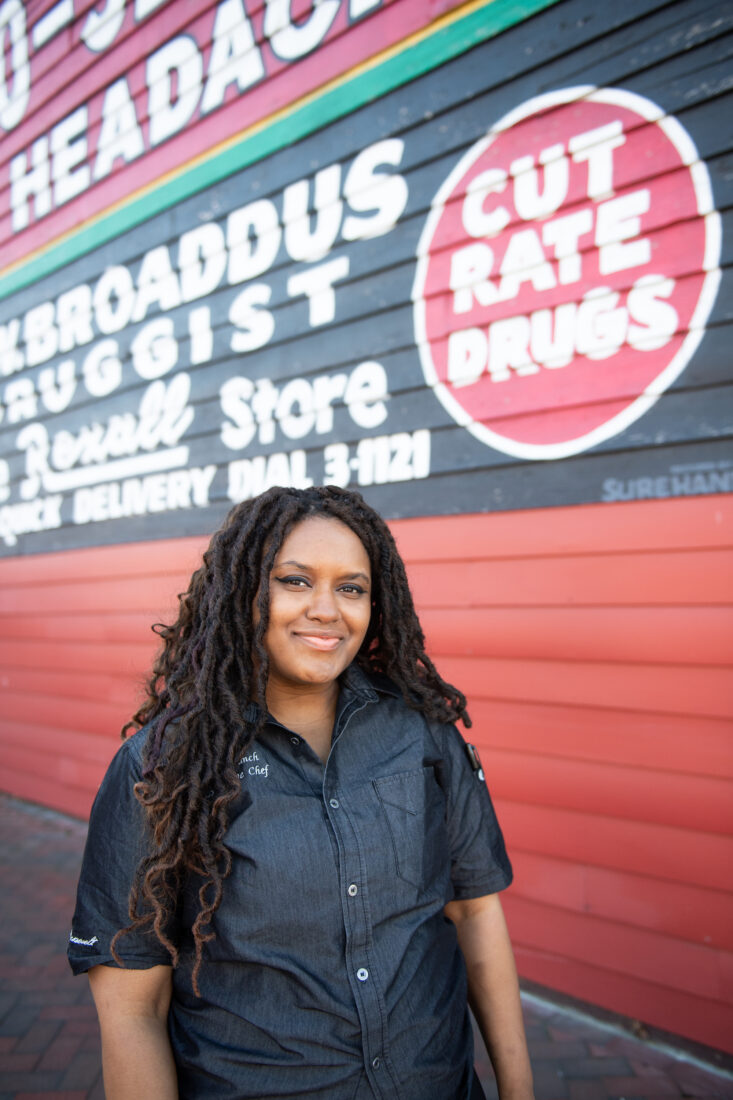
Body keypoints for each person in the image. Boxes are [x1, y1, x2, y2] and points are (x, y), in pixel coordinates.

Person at [68, 484, 534, 1100]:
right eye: (294, 580)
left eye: (351, 587)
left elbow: (474, 910)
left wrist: (519, 1090)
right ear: (243, 593)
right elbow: (133, 1010)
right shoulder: (162, 768)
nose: (326, 609)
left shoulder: (419, 733)